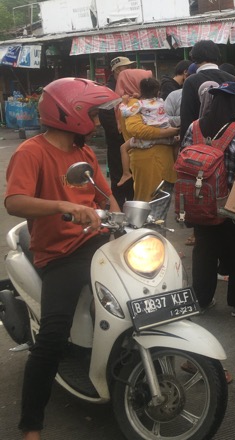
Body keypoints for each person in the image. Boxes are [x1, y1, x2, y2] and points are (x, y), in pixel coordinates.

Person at [6, 78, 121, 439]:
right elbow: (14, 202)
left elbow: (106, 197)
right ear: (70, 113)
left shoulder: (83, 152)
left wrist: (122, 224)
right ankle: (31, 423)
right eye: (91, 112)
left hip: (97, 242)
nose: (97, 118)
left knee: (145, 290)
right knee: (53, 336)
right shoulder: (32, 151)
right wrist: (61, 206)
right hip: (60, 254)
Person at [182, 81, 235, 317]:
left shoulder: (193, 127)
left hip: (198, 201)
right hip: (228, 203)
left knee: (204, 251)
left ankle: (201, 300)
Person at [116, 69, 179, 222]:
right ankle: (149, 240)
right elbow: (136, 129)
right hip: (150, 161)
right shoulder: (137, 104)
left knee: (154, 207)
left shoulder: (133, 103)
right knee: (151, 207)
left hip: (155, 160)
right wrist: (168, 132)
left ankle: (151, 239)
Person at [118, 77, 176, 188]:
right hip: (166, 137)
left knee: (123, 148)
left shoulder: (137, 104)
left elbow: (132, 123)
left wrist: (124, 103)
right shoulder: (161, 101)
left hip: (146, 147)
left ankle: (125, 173)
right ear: (158, 91)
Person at [179, 40, 235, 140]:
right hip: (229, 139)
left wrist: (183, 146)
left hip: (201, 144)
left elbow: (186, 118)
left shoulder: (191, 81)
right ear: (217, 55)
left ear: (194, 58)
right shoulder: (233, 79)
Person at [100, 56, 135, 206]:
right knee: (119, 179)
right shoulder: (108, 91)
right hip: (116, 143)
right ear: (118, 70)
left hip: (129, 142)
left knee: (132, 179)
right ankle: (118, 213)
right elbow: (106, 118)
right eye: (127, 68)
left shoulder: (127, 87)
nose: (129, 70)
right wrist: (122, 134)